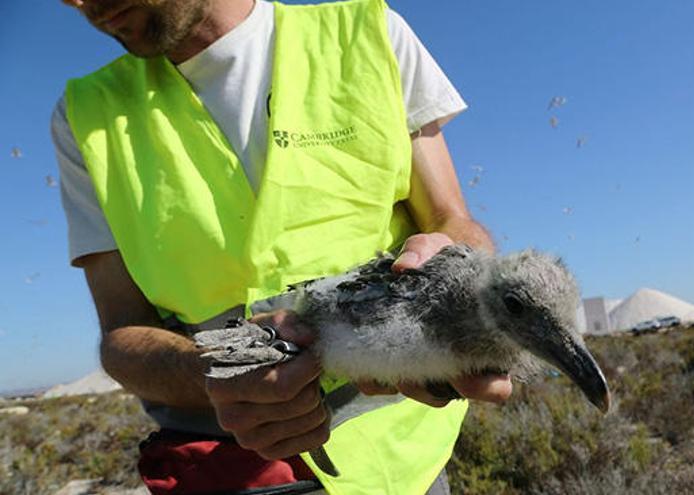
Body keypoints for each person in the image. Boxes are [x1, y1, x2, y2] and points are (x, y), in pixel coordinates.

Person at [52, 0, 512, 493]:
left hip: (406, 459)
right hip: (231, 464)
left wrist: (465, 289)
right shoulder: (85, 116)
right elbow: (122, 332)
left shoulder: (369, 34)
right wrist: (217, 370)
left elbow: (451, 221)